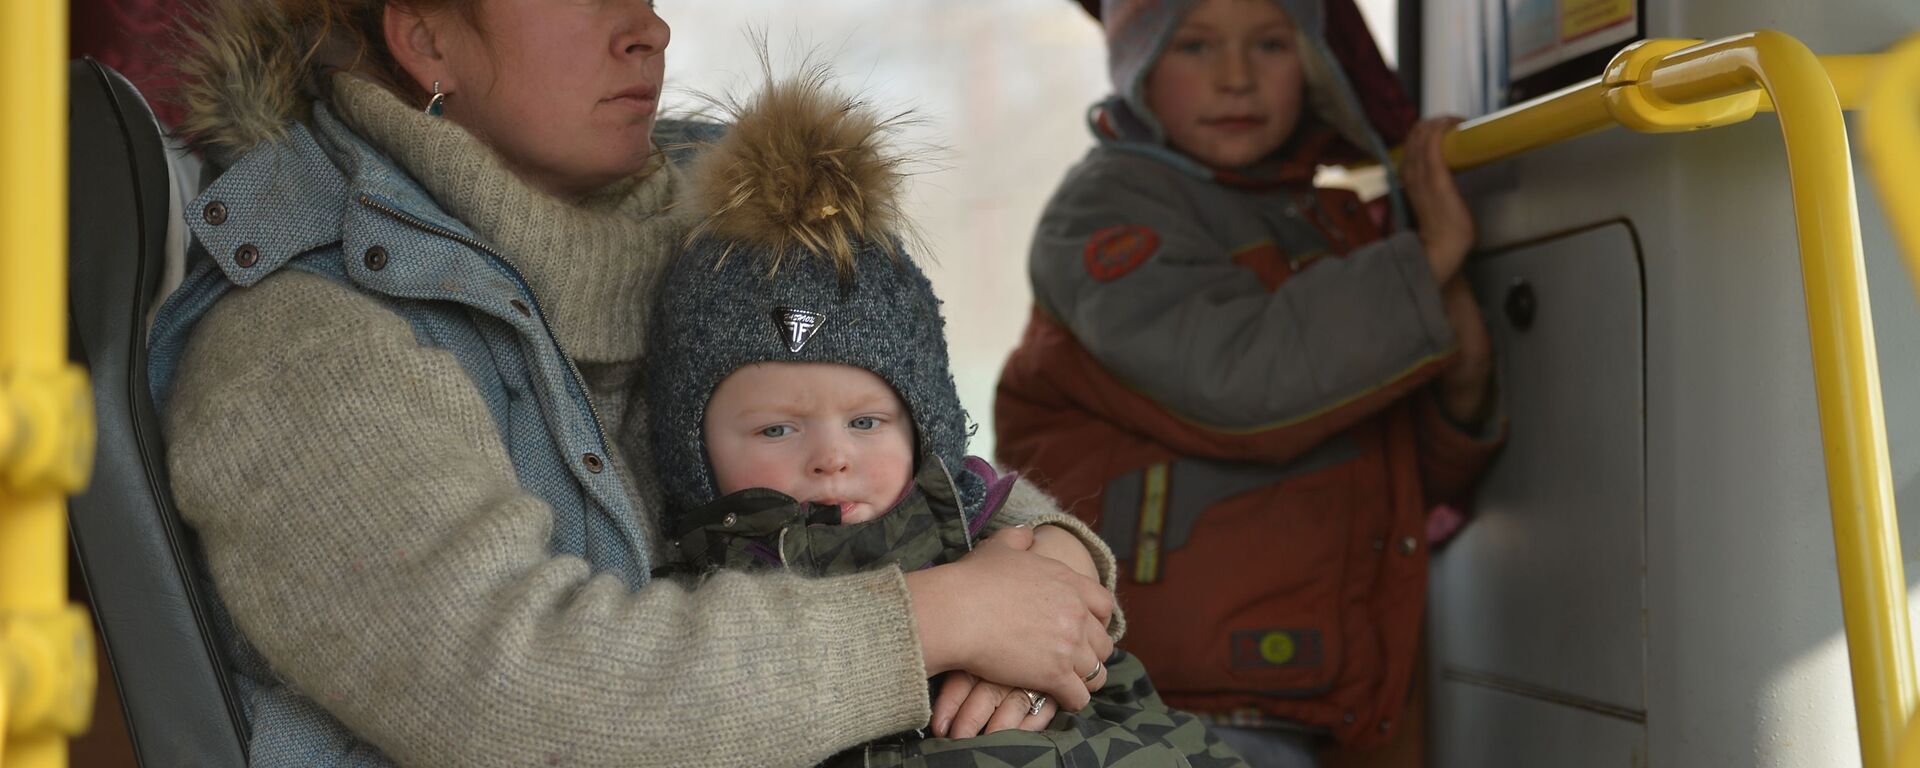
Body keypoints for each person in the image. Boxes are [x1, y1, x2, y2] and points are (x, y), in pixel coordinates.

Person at [150, 1, 1121, 765]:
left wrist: (1051, 583)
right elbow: (517, 698)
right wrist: (943, 621)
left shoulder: (727, 239)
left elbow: (913, 460)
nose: (648, 28)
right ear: (424, 38)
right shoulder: (305, 346)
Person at [641, 68, 1248, 767]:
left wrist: (1062, 559)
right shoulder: (699, 604)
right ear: (690, 449)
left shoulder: (979, 527)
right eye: (777, 429)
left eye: (867, 422)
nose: (832, 457)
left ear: (923, 427)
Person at [993, 0, 1506, 764]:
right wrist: (1425, 261)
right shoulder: (1105, 210)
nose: (1237, 78)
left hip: (1314, 692)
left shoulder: (1324, 221)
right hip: (1162, 695)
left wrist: (1460, 389)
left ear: (1313, 62)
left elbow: (1378, 459)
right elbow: (1238, 379)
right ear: (1137, 68)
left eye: (1270, 43)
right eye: (1195, 46)